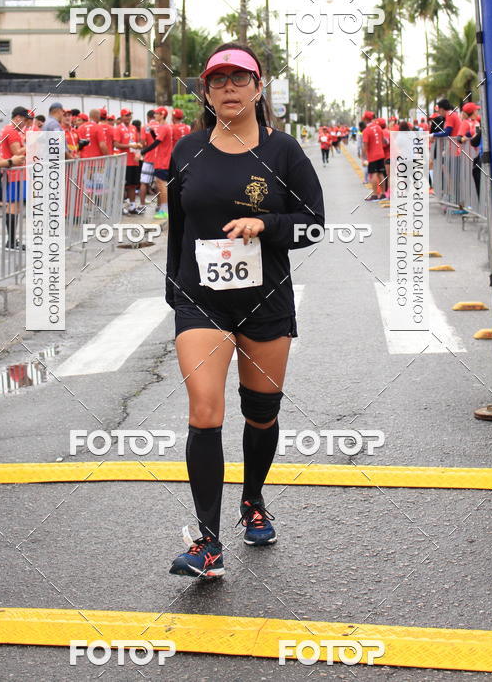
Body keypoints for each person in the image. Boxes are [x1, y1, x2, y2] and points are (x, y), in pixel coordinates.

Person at [165, 43, 325, 578]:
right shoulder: (186, 151)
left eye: (239, 79)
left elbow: (313, 224)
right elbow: (177, 229)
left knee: (261, 412)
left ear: (258, 88)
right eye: (217, 80)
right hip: (201, 301)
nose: (228, 88)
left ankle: (253, 500)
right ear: (206, 92)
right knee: (204, 411)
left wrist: (266, 225)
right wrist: (175, 293)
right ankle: (207, 543)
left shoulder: (284, 153)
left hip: (265, 301)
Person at [0, 106, 30, 250]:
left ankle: (12, 240)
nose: (25, 124)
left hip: (15, 173)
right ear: (18, 118)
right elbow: (16, 152)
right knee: (13, 206)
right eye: (24, 120)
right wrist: (32, 143)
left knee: (15, 206)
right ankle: (11, 241)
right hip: (14, 173)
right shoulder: (11, 131)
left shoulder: (9, 130)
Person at [140, 106, 173, 219]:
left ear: (162, 115)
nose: (154, 116)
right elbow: (157, 139)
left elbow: (156, 143)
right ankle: (164, 209)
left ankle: (164, 210)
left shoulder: (164, 127)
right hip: (161, 160)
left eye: (157, 114)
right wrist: (153, 132)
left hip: (163, 160)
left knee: (162, 185)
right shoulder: (162, 127)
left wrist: (142, 152)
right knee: (161, 185)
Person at [361, 111, 386, 200]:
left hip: (372, 155)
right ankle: (383, 194)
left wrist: (363, 157)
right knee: (381, 173)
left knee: (374, 174)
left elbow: (365, 144)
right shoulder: (379, 127)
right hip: (381, 154)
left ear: (367, 119)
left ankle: (375, 194)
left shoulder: (366, 130)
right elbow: (383, 141)